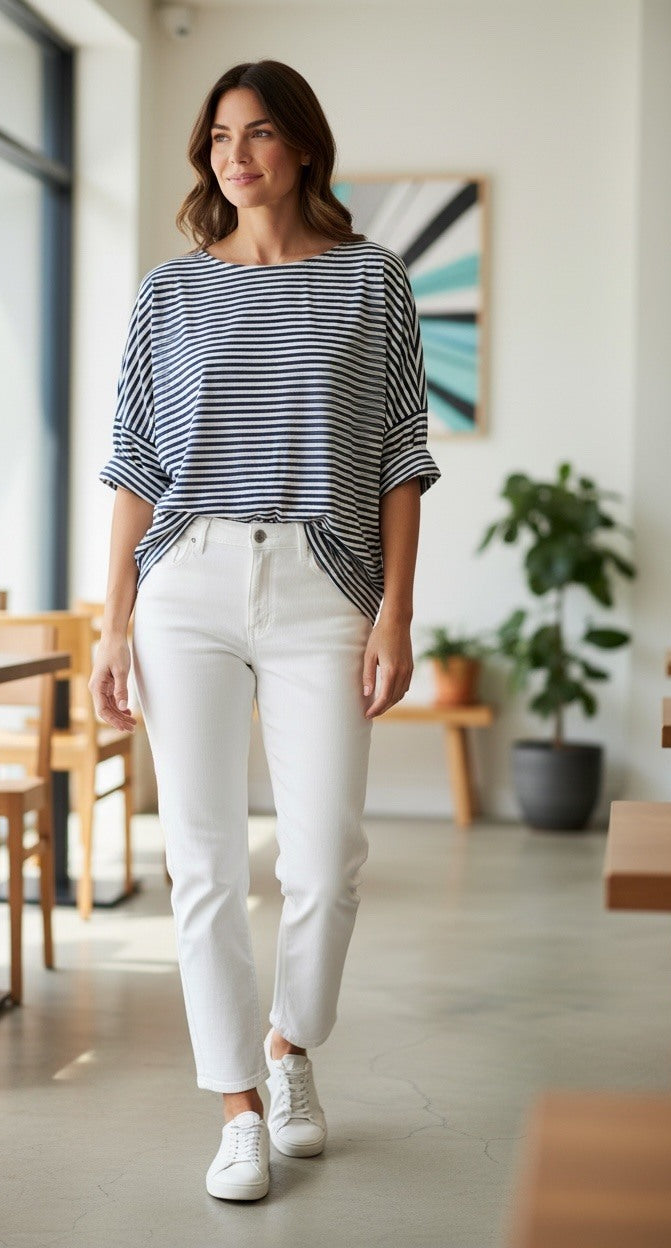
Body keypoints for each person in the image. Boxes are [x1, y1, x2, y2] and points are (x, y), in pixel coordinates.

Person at [89, 58, 440, 1202]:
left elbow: (398, 458)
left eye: (257, 134)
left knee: (327, 856)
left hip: (320, 584)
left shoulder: (371, 282)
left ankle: (290, 1048)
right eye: (219, 138)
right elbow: (136, 467)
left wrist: (394, 609)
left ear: (300, 148)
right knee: (199, 859)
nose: (233, 155)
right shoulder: (168, 291)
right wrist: (112, 624)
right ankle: (236, 1104)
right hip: (182, 586)